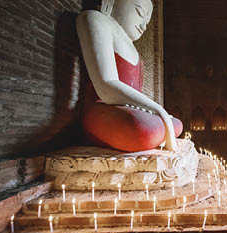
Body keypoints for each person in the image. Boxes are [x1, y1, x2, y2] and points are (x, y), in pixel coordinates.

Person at [76, 0, 182, 152]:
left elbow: (135, 95)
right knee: (142, 128)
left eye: (147, 21)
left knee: (176, 124)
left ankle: (155, 130)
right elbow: (105, 85)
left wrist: (159, 114)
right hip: (102, 108)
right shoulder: (97, 20)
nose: (144, 26)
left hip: (128, 110)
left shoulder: (135, 51)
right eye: (139, 13)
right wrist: (160, 112)